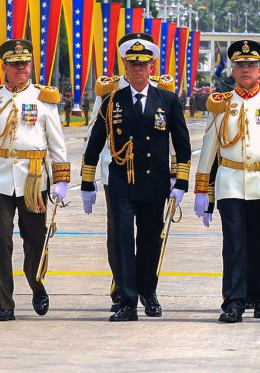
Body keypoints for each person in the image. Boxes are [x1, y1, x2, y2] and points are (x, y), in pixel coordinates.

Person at [81, 32, 191, 321]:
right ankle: (128, 301)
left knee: (150, 241)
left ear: (152, 67)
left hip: (155, 183)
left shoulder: (166, 100)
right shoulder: (112, 100)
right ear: (125, 68)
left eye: (143, 64)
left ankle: (148, 292)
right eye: (132, 64)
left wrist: (180, 181)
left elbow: (182, 144)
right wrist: (87, 182)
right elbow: (95, 141)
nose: (138, 69)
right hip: (121, 182)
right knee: (122, 240)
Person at [0, 39, 68, 321]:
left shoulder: (42, 98)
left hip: (33, 180)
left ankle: (36, 284)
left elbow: (56, 142)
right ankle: (4, 304)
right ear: (5, 66)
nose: (22, 68)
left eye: (26, 63)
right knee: (0, 240)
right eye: (16, 64)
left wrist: (60, 178)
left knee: (34, 239)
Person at [195, 39, 260, 323]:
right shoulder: (221, 104)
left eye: (250, 65)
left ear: (259, 69)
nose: (245, 70)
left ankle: (259, 298)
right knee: (234, 244)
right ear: (232, 69)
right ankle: (234, 301)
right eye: (240, 65)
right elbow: (209, 148)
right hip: (229, 181)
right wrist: (203, 190)